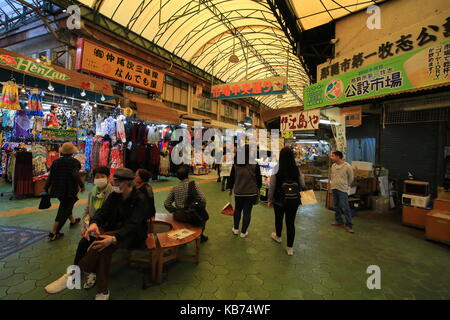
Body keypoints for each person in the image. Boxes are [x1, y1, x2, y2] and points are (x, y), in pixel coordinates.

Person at [44, 168, 150, 300]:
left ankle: (74, 275)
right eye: (114, 181)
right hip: (114, 232)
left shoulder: (140, 198)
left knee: (102, 244)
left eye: (117, 182)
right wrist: (94, 223)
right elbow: (102, 211)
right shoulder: (115, 195)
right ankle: (102, 290)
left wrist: (114, 238)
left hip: (134, 235)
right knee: (103, 247)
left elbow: (134, 224)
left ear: (128, 183)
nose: (114, 184)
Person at [268, 147, 305, 256]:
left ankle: (278, 237)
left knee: (278, 218)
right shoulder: (296, 168)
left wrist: (270, 199)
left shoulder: (276, 168)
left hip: (279, 200)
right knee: (290, 223)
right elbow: (302, 184)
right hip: (293, 200)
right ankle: (290, 248)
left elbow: (272, 185)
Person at [44, 142, 85, 241]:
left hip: (58, 189)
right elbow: (75, 175)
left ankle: (73, 221)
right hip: (70, 189)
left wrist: (46, 187)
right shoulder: (74, 162)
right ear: (72, 152)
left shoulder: (56, 162)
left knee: (65, 205)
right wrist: (82, 185)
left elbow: (51, 175)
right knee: (64, 210)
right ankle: (54, 232)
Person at [164, 165, 209, 242]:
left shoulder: (174, 188)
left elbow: (166, 203)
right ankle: (201, 235)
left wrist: (175, 210)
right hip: (191, 215)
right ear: (187, 175)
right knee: (203, 216)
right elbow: (203, 200)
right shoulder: (193, 184)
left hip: (179, 215)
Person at [227, 144, 262, 238]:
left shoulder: (236, 164)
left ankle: (235, 229)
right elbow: (259, 179)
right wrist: (259, 188)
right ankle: (243, 232)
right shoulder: (255, 164)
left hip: (239, 192)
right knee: (247, 212)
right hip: (251, 193)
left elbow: (231, 178)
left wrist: (230, 189)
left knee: (237, 210)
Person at [330, 150, 355, 233]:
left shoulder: (347, 166)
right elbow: (332, 176)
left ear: (338, 157)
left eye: (333, 156)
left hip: (342, 189)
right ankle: (339, 221)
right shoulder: (333, 166)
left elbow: (351, 178)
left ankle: (349, 225)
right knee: (336, 205)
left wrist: (346, 185)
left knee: (345, 207)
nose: (331, 157)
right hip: (334, 188)